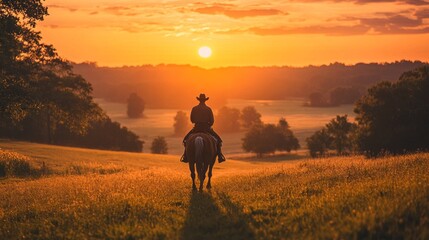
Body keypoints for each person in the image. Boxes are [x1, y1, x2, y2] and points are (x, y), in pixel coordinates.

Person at [180, 93, 226, 163]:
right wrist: (208, 125)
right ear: (205, 100)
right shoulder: (208, 109)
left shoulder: (194, 108)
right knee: (219, 141)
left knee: (185, 140)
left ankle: (185, 156)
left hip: (196, 128)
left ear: (199, 100)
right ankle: (220, 156)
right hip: (206, 128)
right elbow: (212, 121)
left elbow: (192, 120)